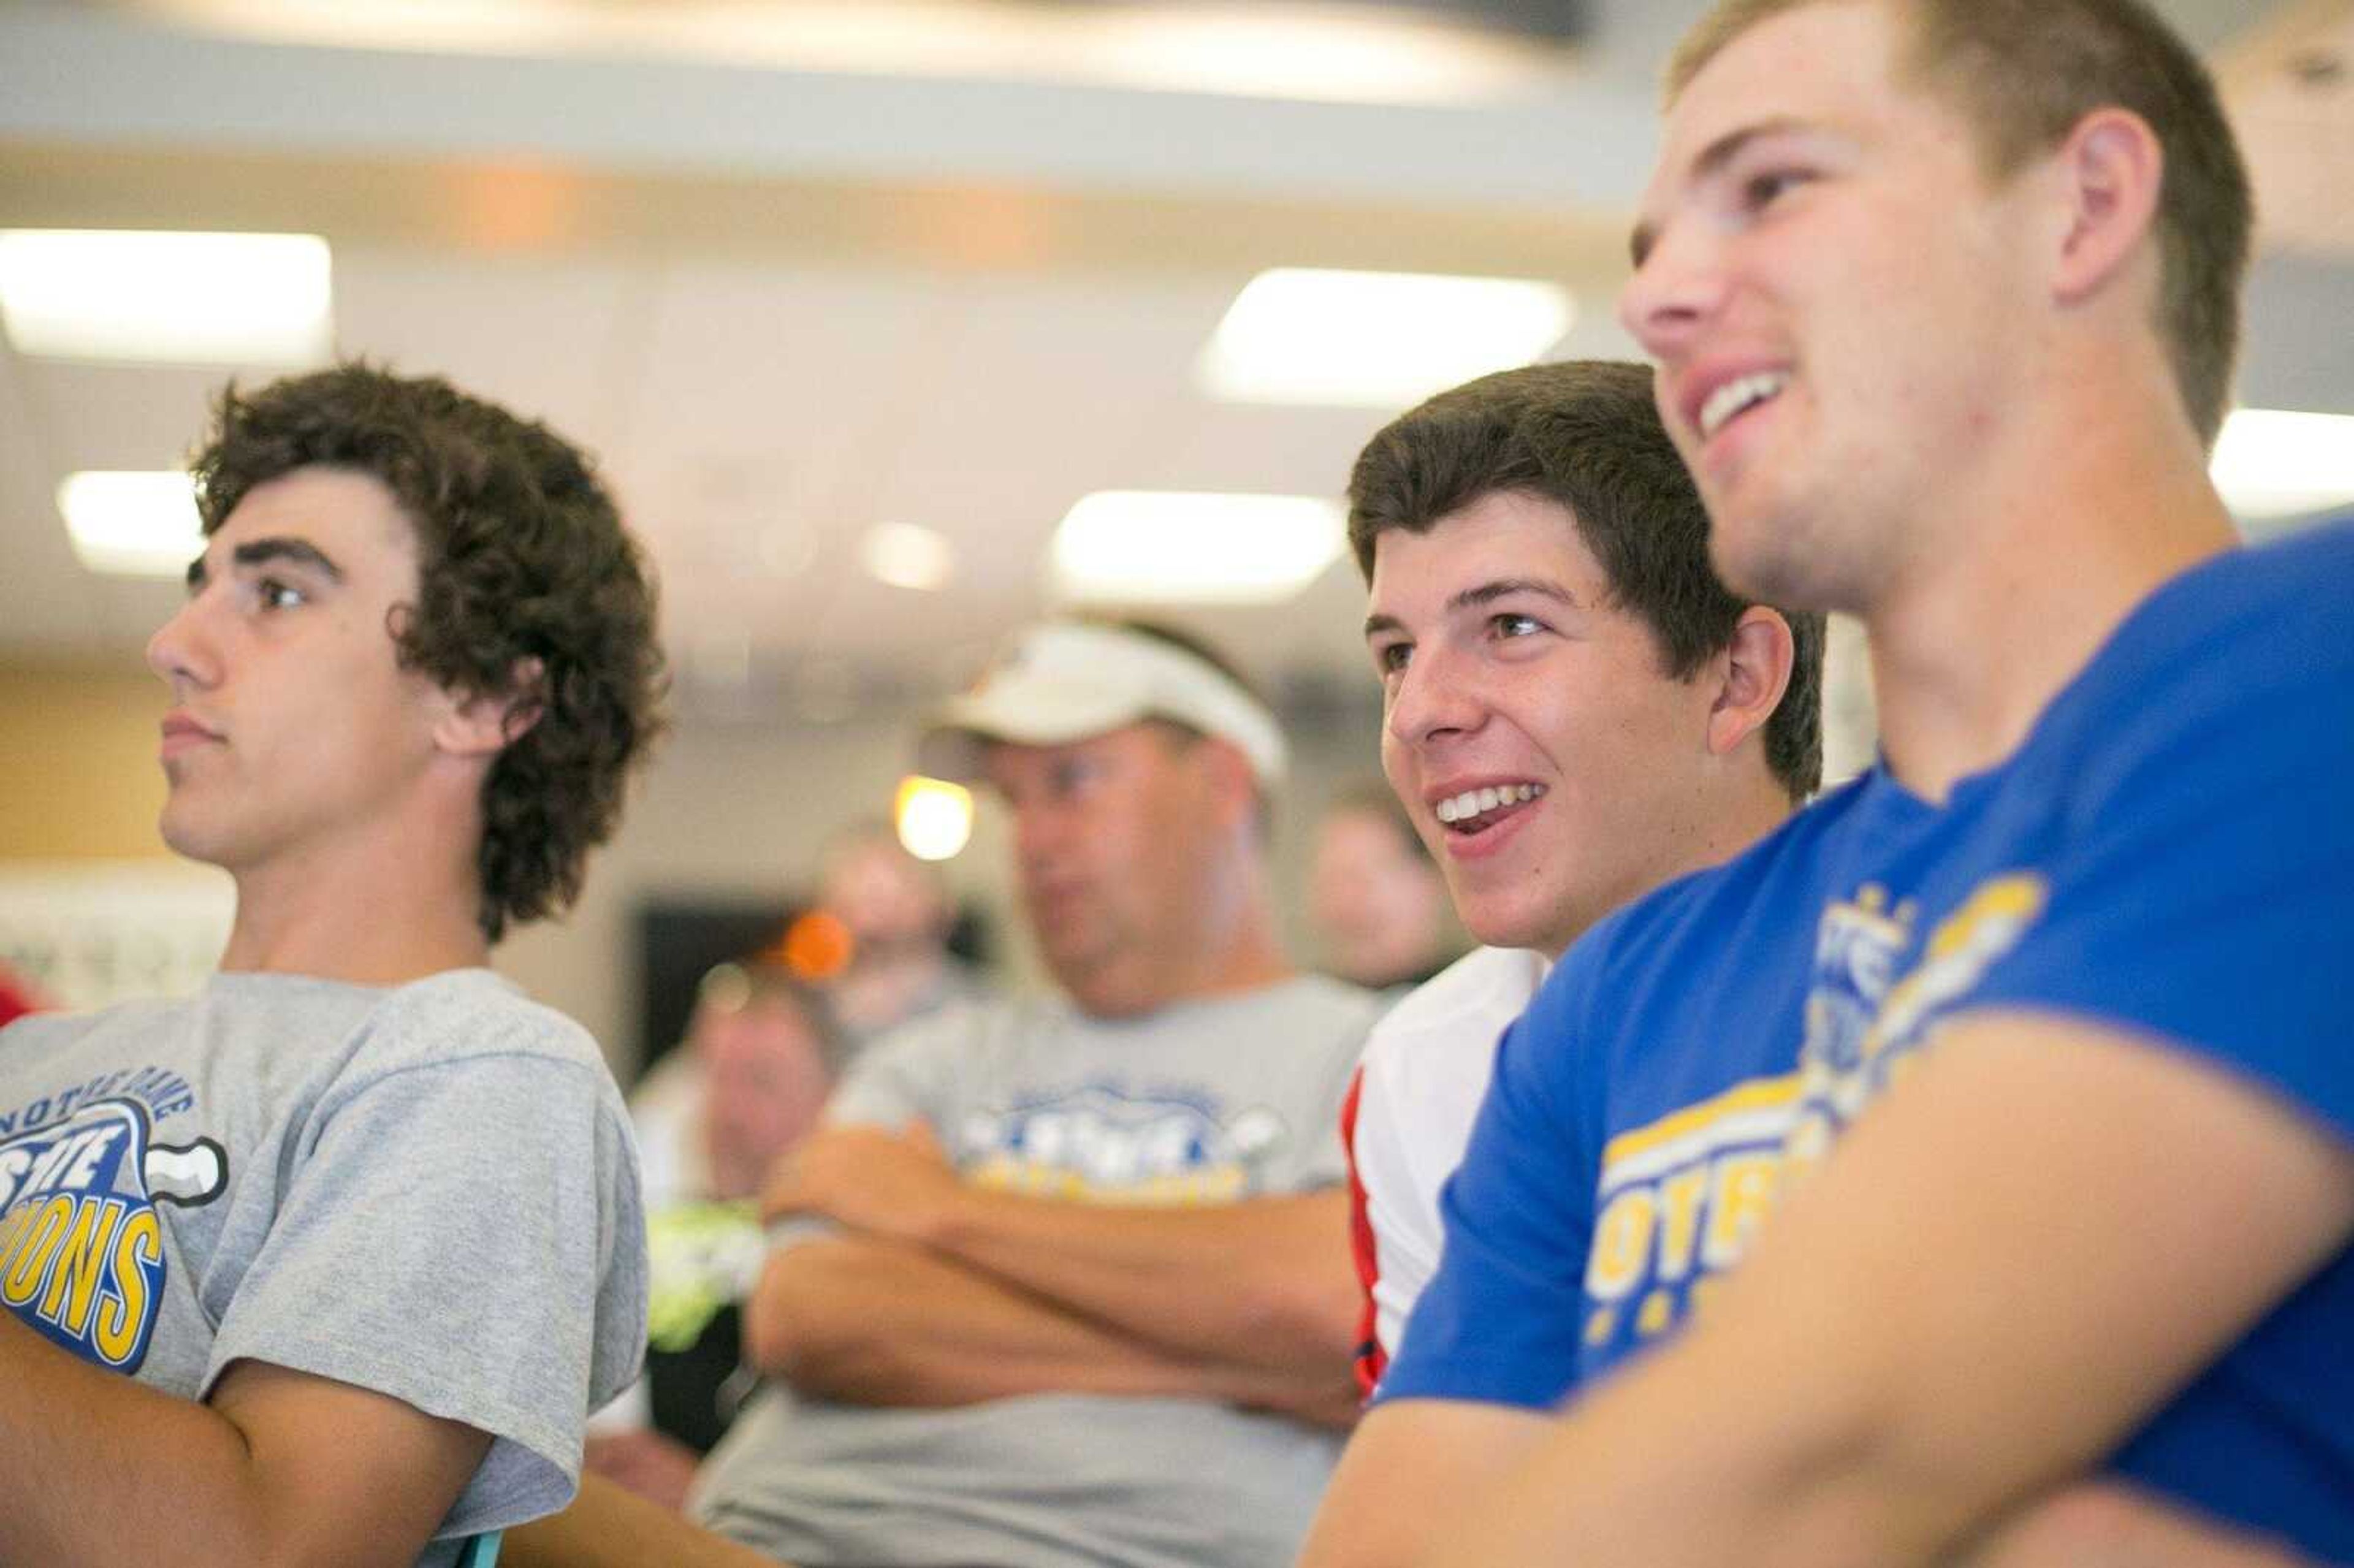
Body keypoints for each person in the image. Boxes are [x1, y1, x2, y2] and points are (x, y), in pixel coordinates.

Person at [1339, 1, 2354, 1564]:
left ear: (2079, 207)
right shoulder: (1617, 993)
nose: (1658, 294)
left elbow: (1828, 1454)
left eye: (1771, 188)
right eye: (1655, 234)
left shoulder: (2315, 677)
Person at [0, 363, 665, 1566]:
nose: (174, 643)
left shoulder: (483, 1076)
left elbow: (264, 1551)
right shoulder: (35, 1054)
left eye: (280, 592)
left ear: (482, 697)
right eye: (201, 585)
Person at [686, 617, 1383, 1567]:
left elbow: (1340, 1309)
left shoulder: (1378, 1051)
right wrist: (1232, 1341)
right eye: (1016, 801)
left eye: (1075, 782)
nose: (1035, 840)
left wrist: (938, 1210)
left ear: (1222, 784)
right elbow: (809, 1312)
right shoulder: (937, 1055)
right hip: (770, 1537)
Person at [1300, 360, 1820, 1437]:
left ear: (1736, 677)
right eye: (1397, 652)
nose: (1419, 714)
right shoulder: (1422, 1064)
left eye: (1512, 627)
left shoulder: (1957, 984)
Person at [587, 961, 846, 1510]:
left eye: (761, 1081)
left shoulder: (856, 1250)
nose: (728, 1109)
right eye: (714, 1075)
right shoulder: (645, 1210)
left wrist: (708, 1488)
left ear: (831, 1094)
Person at [1306, 782, 1455, 994]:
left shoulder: (1483, 1000)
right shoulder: (1314, 1007)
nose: (1349, 900)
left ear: (1434, 877)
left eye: (1369, 873)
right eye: (1334, 877)